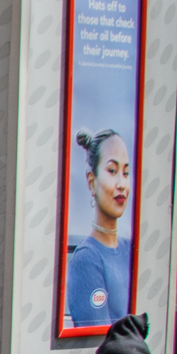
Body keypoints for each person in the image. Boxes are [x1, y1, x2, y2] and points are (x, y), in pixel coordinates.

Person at [64, 129, 135, 328]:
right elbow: (97, 340)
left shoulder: (131, 249)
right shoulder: (87, 258)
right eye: (112, 171)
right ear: (91, 181)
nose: (121, 184)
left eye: (126, 173)